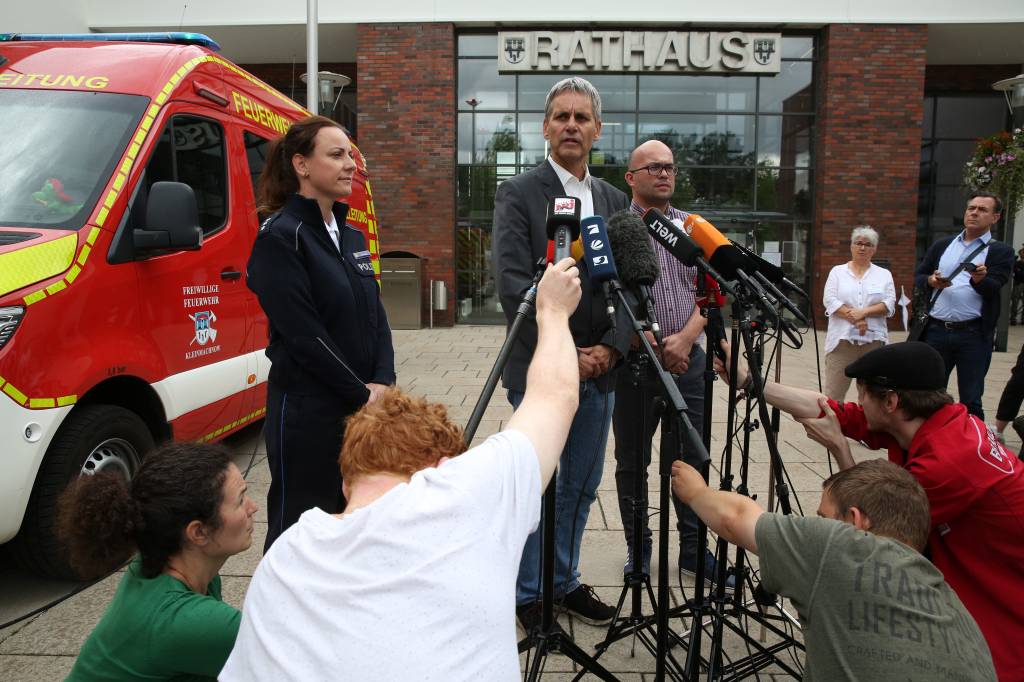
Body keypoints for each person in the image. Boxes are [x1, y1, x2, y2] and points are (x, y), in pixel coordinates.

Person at [221, 259, 584, 681]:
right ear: (443, 466)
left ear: (346, 480)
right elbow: (554, 396)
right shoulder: (468, 496)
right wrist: (553, 310)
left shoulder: (284, 556)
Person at [714, 340, 1024, 680]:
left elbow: (871, 535)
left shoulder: (946, 465)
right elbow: (830, 409)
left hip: (1002, 590)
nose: (857, 403)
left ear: (890, 401)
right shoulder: (937, 421)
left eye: (862, 394)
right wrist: (748, 381)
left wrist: (838, 447)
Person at [492, 76, 630, 629]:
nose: (571, 125)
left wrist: (614, 350)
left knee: (580, 483)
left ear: (596, 130)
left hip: (602, 374)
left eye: (581, 118)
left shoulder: (616, 201)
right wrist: (569, 354)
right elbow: (512, 285)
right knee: (540, 484)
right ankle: (529, 593)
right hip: (544, 372)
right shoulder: (520, 193)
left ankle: (563, 580)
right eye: (560, 117)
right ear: (546, 128)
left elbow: (633, 288)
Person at [671, 457, 996, 681]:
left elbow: (734, 518)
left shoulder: (842, 548)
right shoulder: (957, 611)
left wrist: (696, 491)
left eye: (823, 518)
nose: (819, 525)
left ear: (855, 522)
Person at [248, 115, 395, 551]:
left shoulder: (351, 236)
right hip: (309, 416)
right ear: (301, 165)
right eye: (336, 154)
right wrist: (361, 392)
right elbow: (303, 335)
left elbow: (376, 313)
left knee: (352, 526)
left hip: (363, 411)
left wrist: (384, 382)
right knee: (303, 533)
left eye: (350, 154)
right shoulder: (280, 237)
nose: (350, 164)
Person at [612, 139, 723, 582]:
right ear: (631, 177)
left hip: (688, 362)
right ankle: (638, 550)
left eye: (670, 168)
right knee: (631, 462)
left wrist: (686, 339)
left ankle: (694, 552)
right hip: (635, 366)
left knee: (689, 459)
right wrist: (647, 342)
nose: (663, 174)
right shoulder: (617, 229)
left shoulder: (695, 229)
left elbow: (713, 294)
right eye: (653, 167)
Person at [60, 442, 257, 681]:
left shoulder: (165, 556)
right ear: (199, 533)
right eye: (240, 500)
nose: (253, 507)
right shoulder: (194, 622)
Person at [913, 192, 1014, 420]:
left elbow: (994, 286)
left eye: (982, 210)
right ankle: (930, 442)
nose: (974, 213)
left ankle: (973, 447)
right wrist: (932, 280)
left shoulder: (1001, 252)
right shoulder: (943, 245)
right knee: (929, 394)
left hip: (973, 334)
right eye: (971, 208)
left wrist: (979, 280)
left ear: (995, 218)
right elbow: (919, 276)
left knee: (971, 397)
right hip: (936, 330)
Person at [822, 225, 895, 401]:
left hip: (873, 343)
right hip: (842, 342)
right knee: (833, 396)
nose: (862, 247)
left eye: (868, 244)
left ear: (874, 249)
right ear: (851, 246)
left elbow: (889, 304)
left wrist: (864, 313)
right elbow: (830, 300)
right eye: (858, 243)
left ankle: (867, 428)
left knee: (871, 397)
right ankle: (832, 428)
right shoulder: (837, 272)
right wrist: (855, 319)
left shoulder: (884, 274)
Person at [1010, 245, 1024, 324]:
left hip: (1020, 282)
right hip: (1018, 284)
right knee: (1015, 302)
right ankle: (1013, 319)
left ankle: (1023, 319)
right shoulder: (1017, 264)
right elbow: (1016, 273)